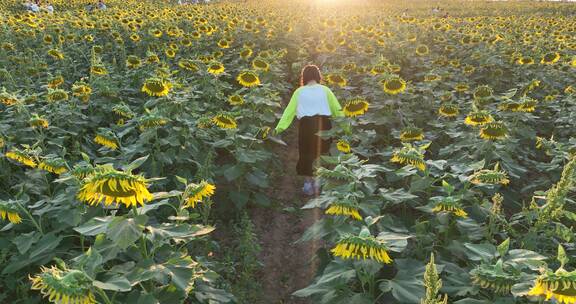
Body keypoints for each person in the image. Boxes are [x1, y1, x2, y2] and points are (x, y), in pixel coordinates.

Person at [274, 65, 344, 196]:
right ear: (318, 76)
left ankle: (307, 185)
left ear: (304, 77)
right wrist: (347, 128)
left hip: (306, 126)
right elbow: (337, 110)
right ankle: (319, 182)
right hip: (324, 125)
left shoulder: (299, 92)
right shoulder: (326, 90)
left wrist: (278, 129)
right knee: (322, 152)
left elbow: (288, 113)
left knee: (306, 153)